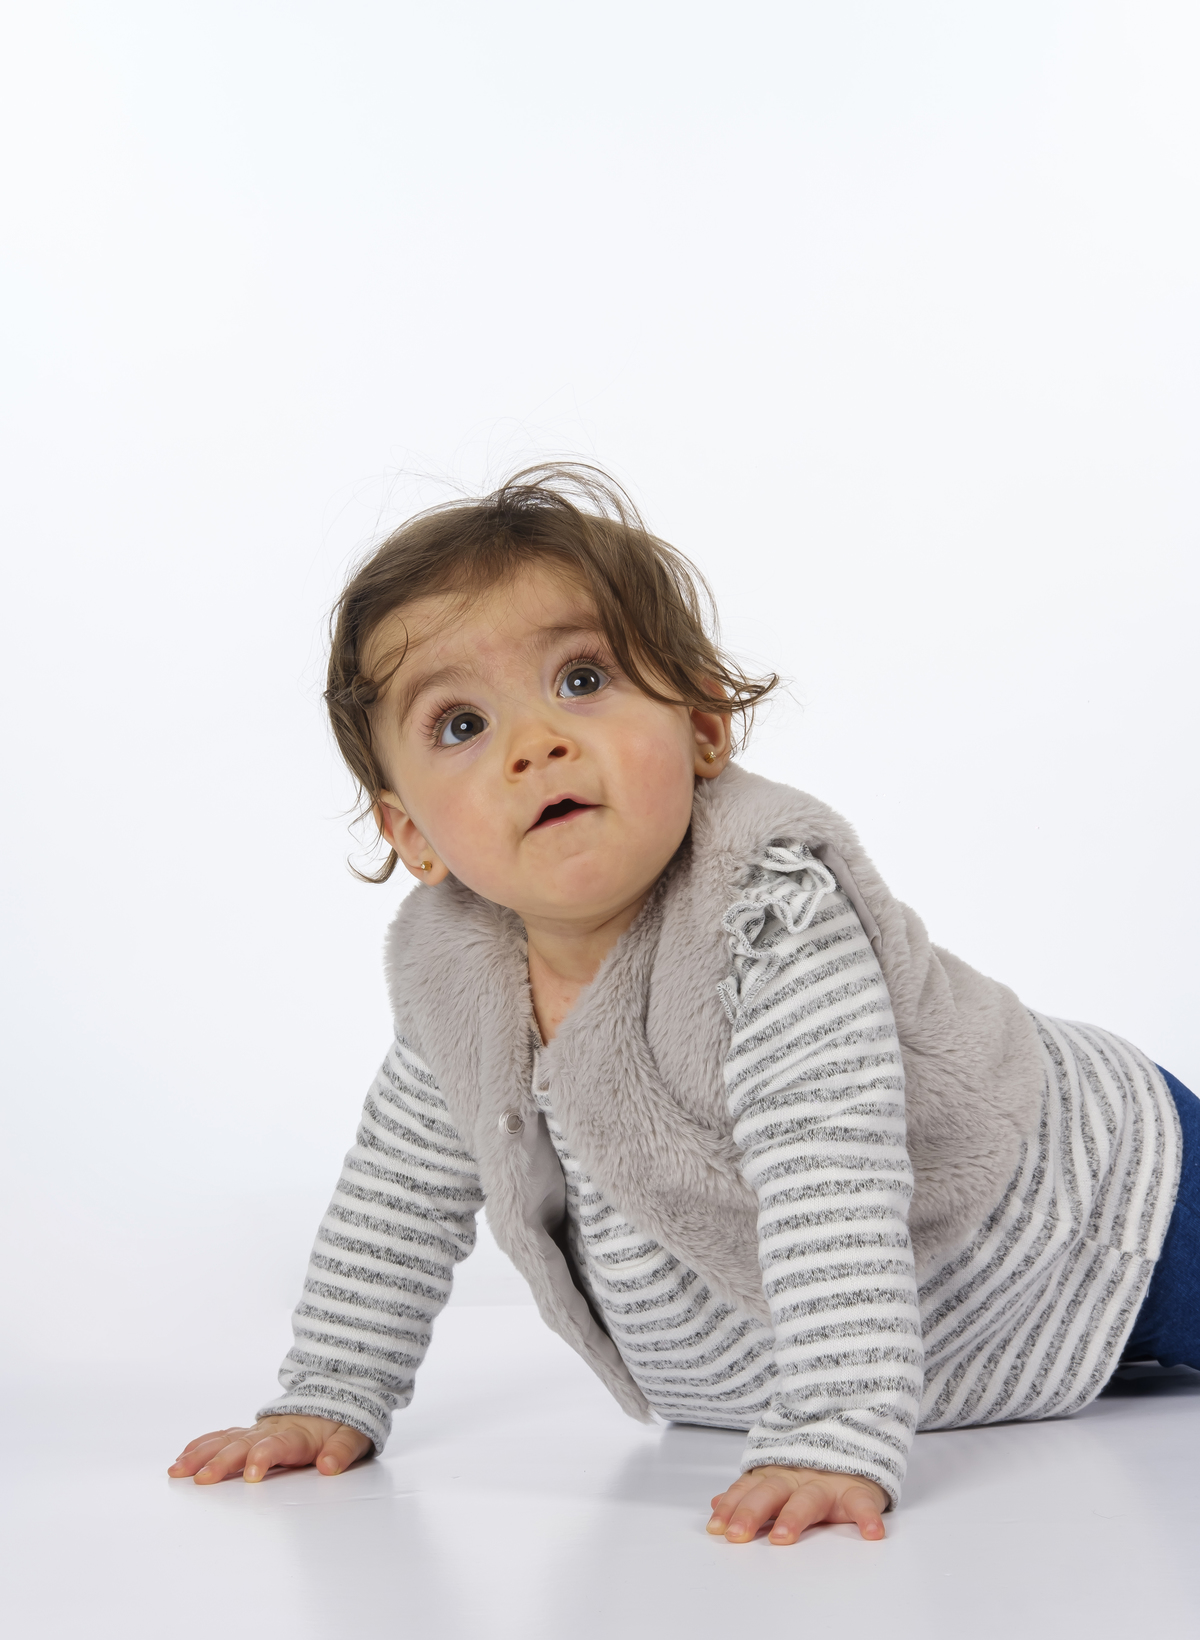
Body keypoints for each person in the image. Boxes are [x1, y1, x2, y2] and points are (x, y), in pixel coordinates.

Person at [168, 465, 1199, 1546]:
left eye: (581, 679)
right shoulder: (456, 979)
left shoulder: (767, 916)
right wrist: (328, 1392)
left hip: (1101, 1199)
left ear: (703, 727)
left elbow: (829, 1171)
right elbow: (397, 1199)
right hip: (960, 1310)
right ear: (413, 835)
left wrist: (833, 1429)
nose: (535, 743)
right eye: (462, 724)